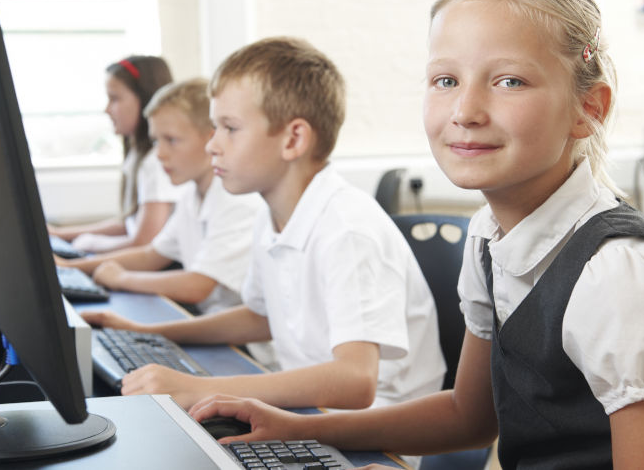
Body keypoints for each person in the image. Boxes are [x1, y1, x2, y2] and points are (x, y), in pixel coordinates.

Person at [187, 0, 644, 469]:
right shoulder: (490, 237)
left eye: (510, 81)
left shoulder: (621, 278)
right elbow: (468, 417)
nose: (466, 110)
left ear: (590, 108)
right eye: (446, 79)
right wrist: (298, 426)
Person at [81, 37, 446, 420]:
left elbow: (356, 381)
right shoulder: (271, 215)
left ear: (293, 139)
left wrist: (201, 388)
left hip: (376, 429)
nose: (212, 146)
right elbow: (261, 317)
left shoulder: (347, 230)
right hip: (310, 410)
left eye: (229, 128)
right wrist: (149, 332)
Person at [60, 77, 262, 315]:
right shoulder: (192, 195)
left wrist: (122, 278)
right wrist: (71, 268)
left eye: (171, 140)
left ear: (211, 139)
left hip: (245, 343)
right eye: (156, 141)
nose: (160, 154)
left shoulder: (237, 200)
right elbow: (152, 255)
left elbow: (198, 286)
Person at [48, 55, 181, 253]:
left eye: (115, 99)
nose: (107, 109)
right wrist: (61, 234)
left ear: (145, 100)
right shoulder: (139, 156)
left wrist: (92, 245)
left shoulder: (157, 161)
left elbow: (145, 242)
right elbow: (129, 224)